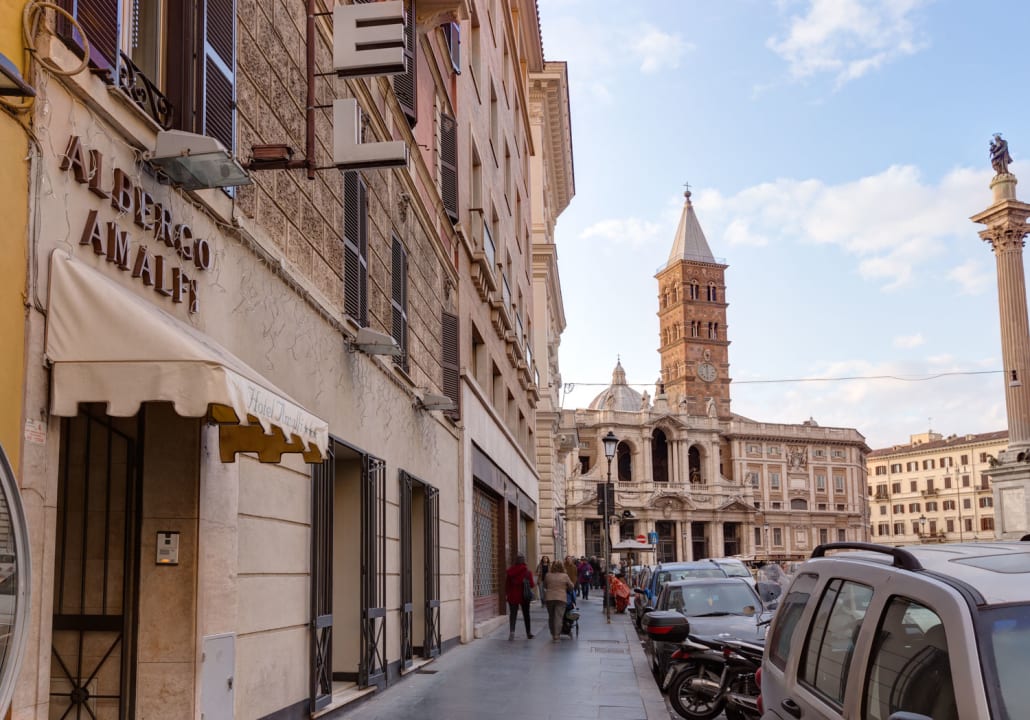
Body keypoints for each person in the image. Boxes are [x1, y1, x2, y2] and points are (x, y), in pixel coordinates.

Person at [543, 558, 574, 643]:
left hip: (549, 598)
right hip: (561, 598)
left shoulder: (548, 575)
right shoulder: (565, 576)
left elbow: (545, 585)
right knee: (558, 617)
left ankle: (553, 633)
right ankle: (556, 636)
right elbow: (571, 586)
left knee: (551, 616)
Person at [504, 554, 535, 640]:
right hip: (524, 596)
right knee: (526, 615)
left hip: (513, 596)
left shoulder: (510, 572)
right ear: (524, 561)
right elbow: (532, 585)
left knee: (513, 614)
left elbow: (507, 585)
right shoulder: (528, 572)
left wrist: (508, 594)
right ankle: (528, 633)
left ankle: (512, 632)